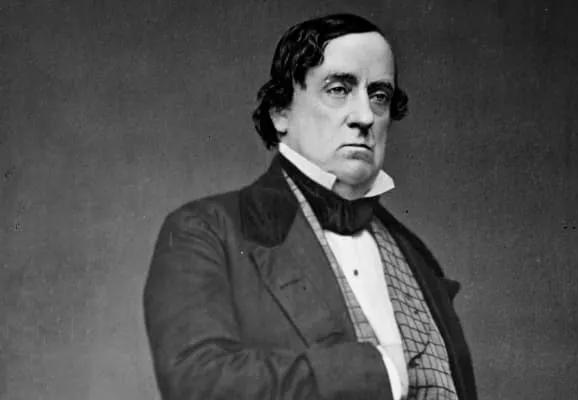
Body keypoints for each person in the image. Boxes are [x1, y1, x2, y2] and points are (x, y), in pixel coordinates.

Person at [143, 13, 477, 400]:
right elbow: (197, 382)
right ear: (280, 112)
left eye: (379, 96)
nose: (365, 117)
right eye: (338, 90)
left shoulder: (417, 255)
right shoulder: (206, 231)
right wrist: (375, 373)